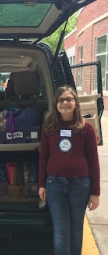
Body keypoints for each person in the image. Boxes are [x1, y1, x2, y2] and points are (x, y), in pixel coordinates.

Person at [38, 85, 100, 255]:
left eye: (69, 99)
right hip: (55, 184)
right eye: (61, 100)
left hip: (80, 185)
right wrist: (42, 184)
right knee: (61, 231)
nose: (65, 103)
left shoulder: (86, 129)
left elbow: (94, 162)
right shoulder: (49, 127)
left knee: (76, 230)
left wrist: (95, 193)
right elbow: (44, 158)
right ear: (56, 103)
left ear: (76, 103)